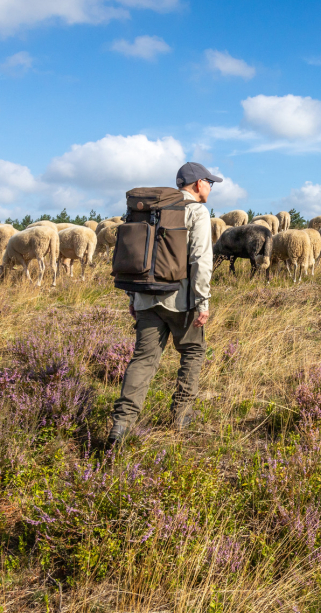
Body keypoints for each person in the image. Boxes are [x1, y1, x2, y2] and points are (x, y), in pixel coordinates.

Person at [107, 162, 220, 443]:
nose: (211, 187)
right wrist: (202, 302)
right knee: (193, 351)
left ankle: (121, 424)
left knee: (143, 360)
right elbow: (201, 260)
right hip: (180, 300)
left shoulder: (150, 211)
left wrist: (134, 296)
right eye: (210, 182)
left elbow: (137, 255)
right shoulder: (196, 211)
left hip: (145, 296)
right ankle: (181, 416)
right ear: (197, 183)